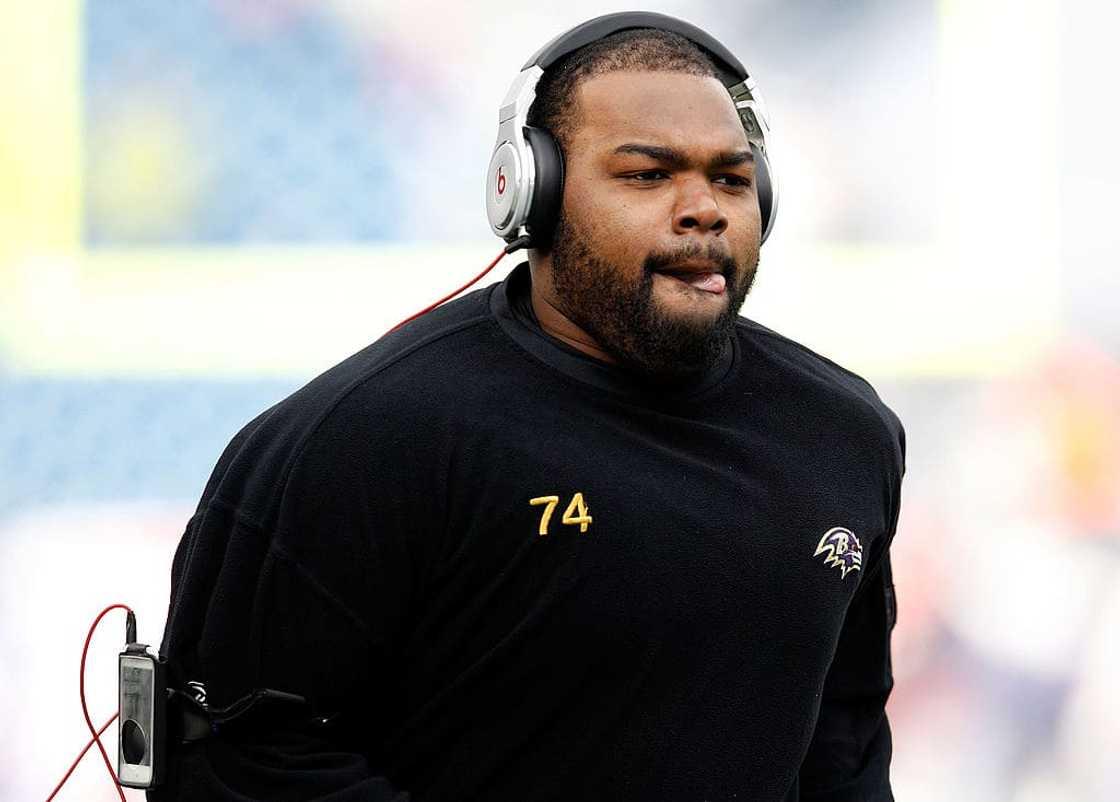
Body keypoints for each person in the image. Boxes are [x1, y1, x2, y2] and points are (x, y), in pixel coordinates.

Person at [150, 13, 905, 802]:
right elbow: (241, 760)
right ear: (530, 193)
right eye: (648, 175)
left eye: (731, 178)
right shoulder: (365, 439)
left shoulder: (843, 435)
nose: (703, 208)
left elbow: (844, 757)